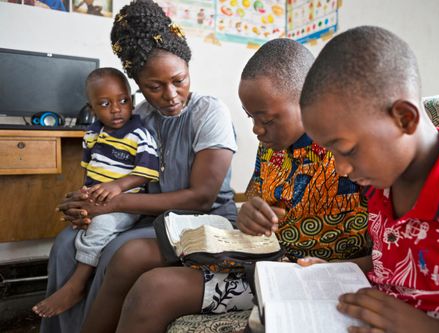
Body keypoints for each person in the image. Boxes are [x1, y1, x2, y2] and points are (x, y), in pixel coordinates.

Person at [81, 37, 371, 333]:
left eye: (266, 119)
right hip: (265, 262)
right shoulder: (272, 146)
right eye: (250, 117)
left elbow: (388, 252)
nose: (257, 130)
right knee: (145, 281)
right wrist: (249, 214)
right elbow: (254, 205)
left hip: (316, 275)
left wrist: (333, 269)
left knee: (156, 290)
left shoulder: (352, 153)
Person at [40, 0, 238, 331]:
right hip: (150, 216)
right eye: (154, 87)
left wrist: (112, 204)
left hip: (204, 220)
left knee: (120, 250)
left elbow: (201, 198)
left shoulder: (208, 113)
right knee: (66, 243)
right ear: (137, 87)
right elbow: (116, 175)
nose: (171, 95)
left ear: (189, 68)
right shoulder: (140, 117)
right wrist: (85, 202)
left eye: (180, 80)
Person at [299, 26, 439, 332]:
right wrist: (337, 271)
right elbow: (391, 262)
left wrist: (428, 328)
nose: (341, 169)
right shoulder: (380, 186)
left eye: (347, 150)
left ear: (404, 118)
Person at [33, 67, 160, 318]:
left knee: (100, 226)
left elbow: (147, 172)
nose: (116, 109)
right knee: (76, 221)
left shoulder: (139, 134)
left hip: (127, 202)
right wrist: (84, 195)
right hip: (99, 197)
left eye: (123, 101)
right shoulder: (92, 134)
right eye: (105, 103)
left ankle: (77, 284)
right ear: (91, 107)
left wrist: (118, 186)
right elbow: (90, 170)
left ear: (131, 100)